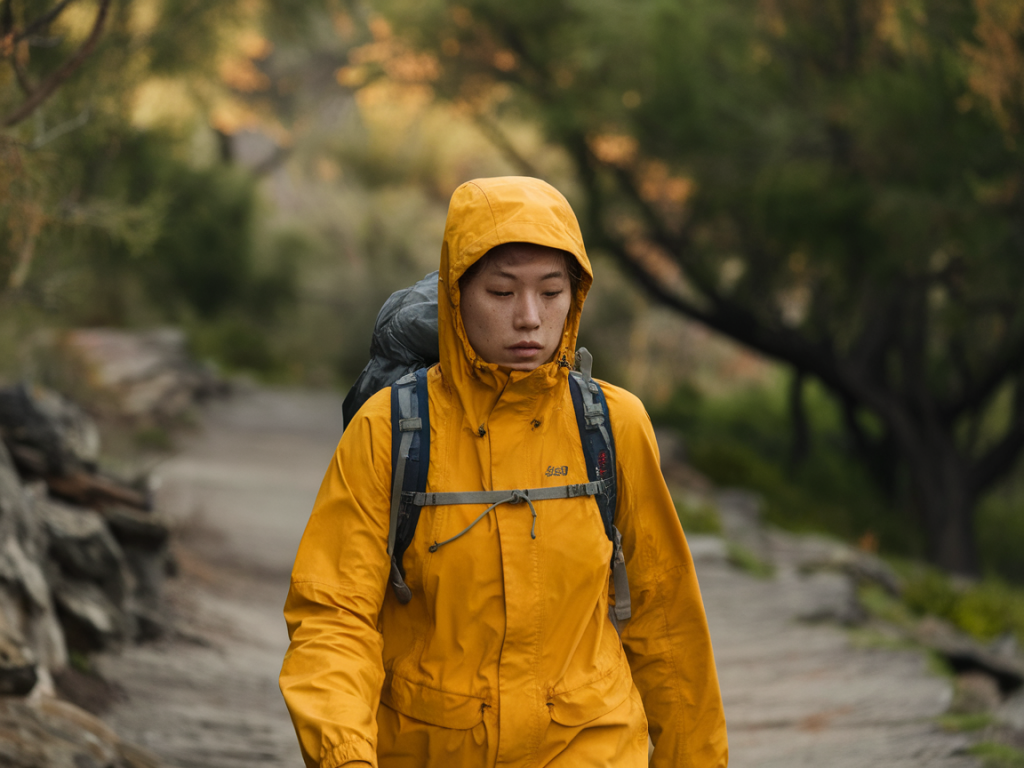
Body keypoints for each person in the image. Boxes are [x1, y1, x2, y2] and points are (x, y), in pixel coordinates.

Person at [280, 176, 728, 768]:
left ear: (576, 296)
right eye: (500, 292)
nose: (528, 318)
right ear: (456, 296)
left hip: (591, 746)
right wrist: (344, 756)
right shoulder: (389, 428)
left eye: (551, 292)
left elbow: (665, 618)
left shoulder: (612, 424)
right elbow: (334, 616)